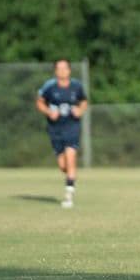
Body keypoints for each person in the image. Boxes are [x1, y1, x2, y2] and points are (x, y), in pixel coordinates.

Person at [36, 59, 88, 208]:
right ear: (55, 71)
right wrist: (48, 111)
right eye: (59, 68)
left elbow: (83, 101)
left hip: (72, 127)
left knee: (71, 158)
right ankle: (71, 177)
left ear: (69, 70)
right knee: (63, 165)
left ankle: (69, 194)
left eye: (65, 68)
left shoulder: (76, 86)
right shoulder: (50, 87)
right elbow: (39, 102)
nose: (62, 71)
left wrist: (80, 110)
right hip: (55, 129)